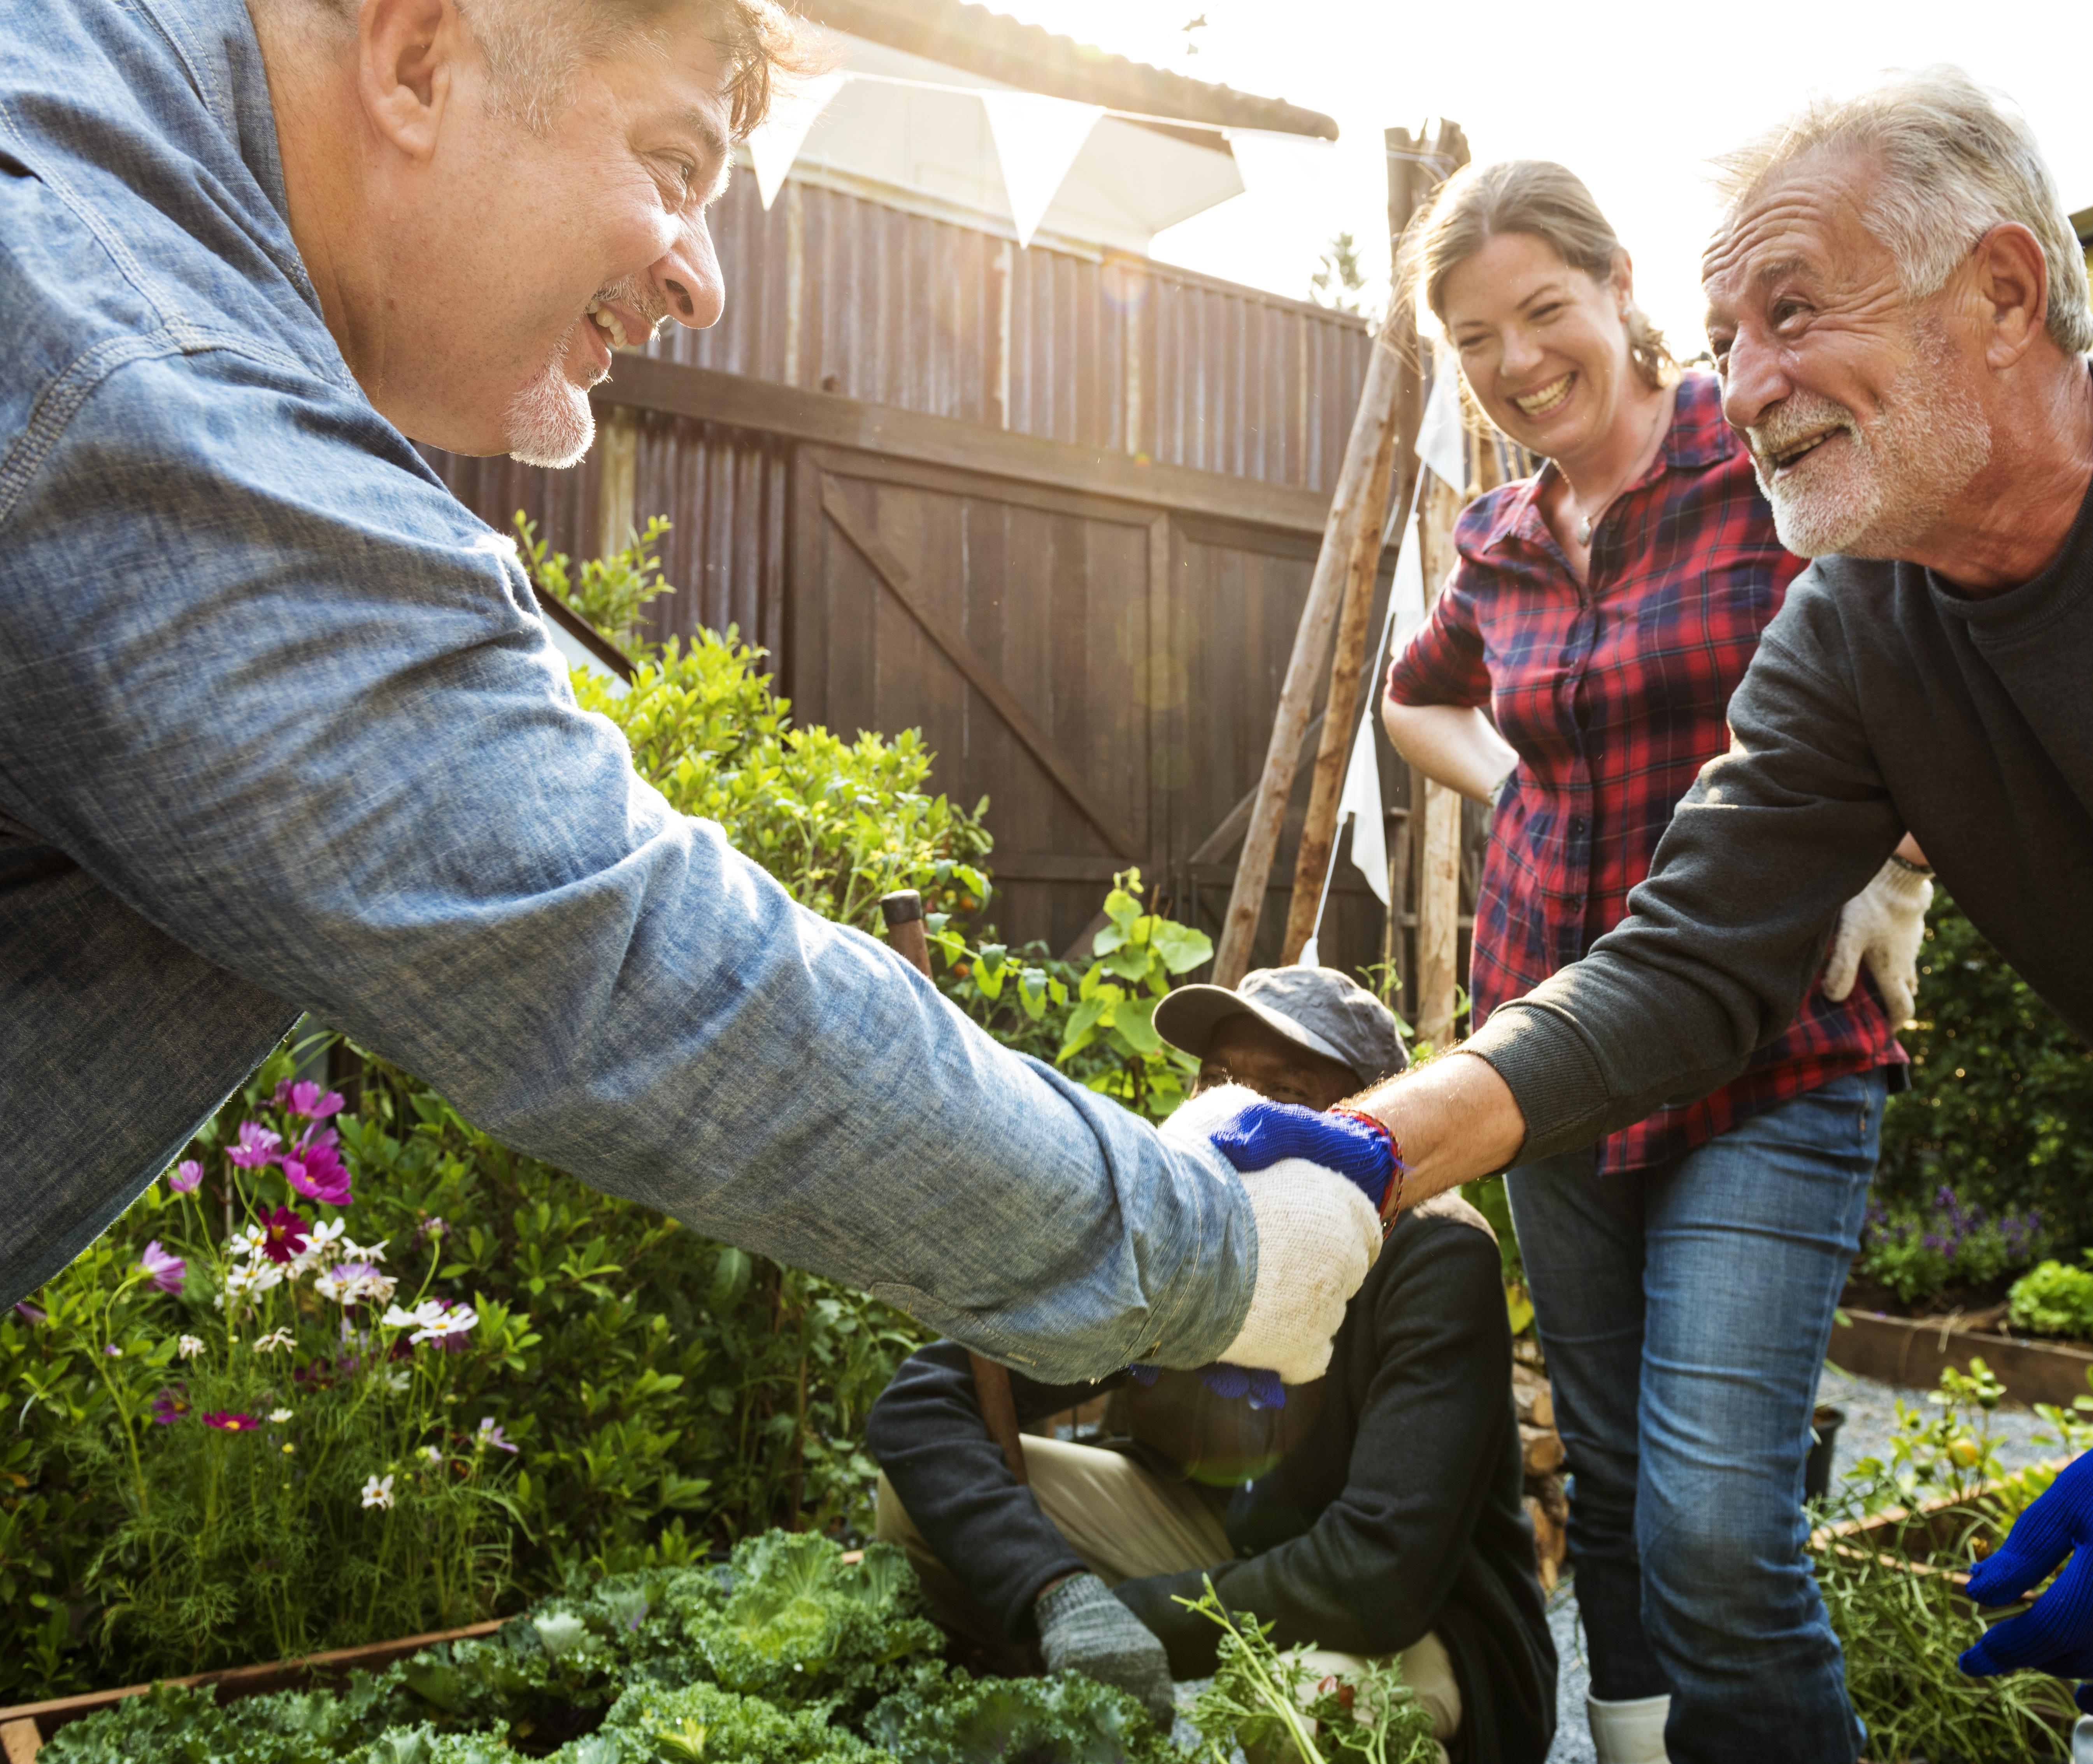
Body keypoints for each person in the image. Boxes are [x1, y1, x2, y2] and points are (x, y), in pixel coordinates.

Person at [1208, 65, 2093, 1764]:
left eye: (1794, 312)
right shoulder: (1859, 620)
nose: (1743, 382)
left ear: (2004, 295)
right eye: (1724, 333)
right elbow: (1687, 959)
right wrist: (1382, 1144)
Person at [1, 0, 1381, 1393]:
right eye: (672, 168)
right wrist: (1211, 1249)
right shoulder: (128, 355)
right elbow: (607, 952)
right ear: (419, 55)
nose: (705, 281)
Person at [1378, 160, 1926, 1764]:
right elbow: (1416, 703)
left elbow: (1934, 637)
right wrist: (1515, 780)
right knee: (1608, 1491)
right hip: (1548, 1045)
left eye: (1542, 309)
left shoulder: (1761, 463)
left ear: (1619, 287)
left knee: (1712, 1524)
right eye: (1475, 339)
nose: (1518, 359)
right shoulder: (1493, 535)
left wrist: (1889, 860)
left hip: (1768, 1048)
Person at [868, 966, 1556, 1764]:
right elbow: (925, 1402)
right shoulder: (1188, 1232)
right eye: (1218, 1079)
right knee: (912, 1504)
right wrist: (1055, 1596)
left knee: (1305, 1723)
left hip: (1421, 1625)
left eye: (1283, 1091)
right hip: (1229, 1537)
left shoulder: (1432, 1257)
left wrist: (1129, 1620)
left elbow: (1380, 1574)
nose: (1236, 1112)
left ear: (1370, 1121)